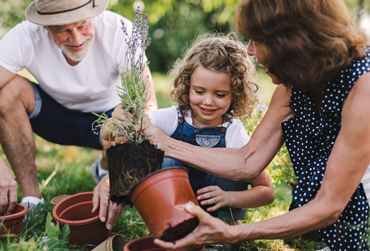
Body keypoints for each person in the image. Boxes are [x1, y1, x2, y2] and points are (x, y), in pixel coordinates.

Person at [118, 0, 368, 250]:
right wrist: (159, 145)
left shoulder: (363, 89)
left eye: (257, 41)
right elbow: (248, 162)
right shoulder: (292, 87)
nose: (249, 50)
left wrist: (231, 233)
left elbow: (328, 206)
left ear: (292, 43)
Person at [0, 0, 157, 230]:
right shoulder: (25, 36)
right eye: (63, 30)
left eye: (83, 25)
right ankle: (32, 200)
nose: (77, 39)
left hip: (107, 121)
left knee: (131, 117)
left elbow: (148, 107)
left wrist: (120, 171)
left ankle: (105, 166)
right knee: (7, 92)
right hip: (53, 116)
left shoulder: (118, 30)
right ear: (45, 26)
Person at [101, 34, 275, 224]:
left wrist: (229, 198)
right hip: (176, 212)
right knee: (164, 162)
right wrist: (115, 121)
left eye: (220, 94)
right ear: (187, 86)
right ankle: (171, 223)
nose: (208, 101)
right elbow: (109, 134)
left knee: (233, 168)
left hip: (218, 213)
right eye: (199, 91)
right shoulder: (173, 118)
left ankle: (228, 224)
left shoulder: (233, 131)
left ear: (235, 94)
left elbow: (266, 192)